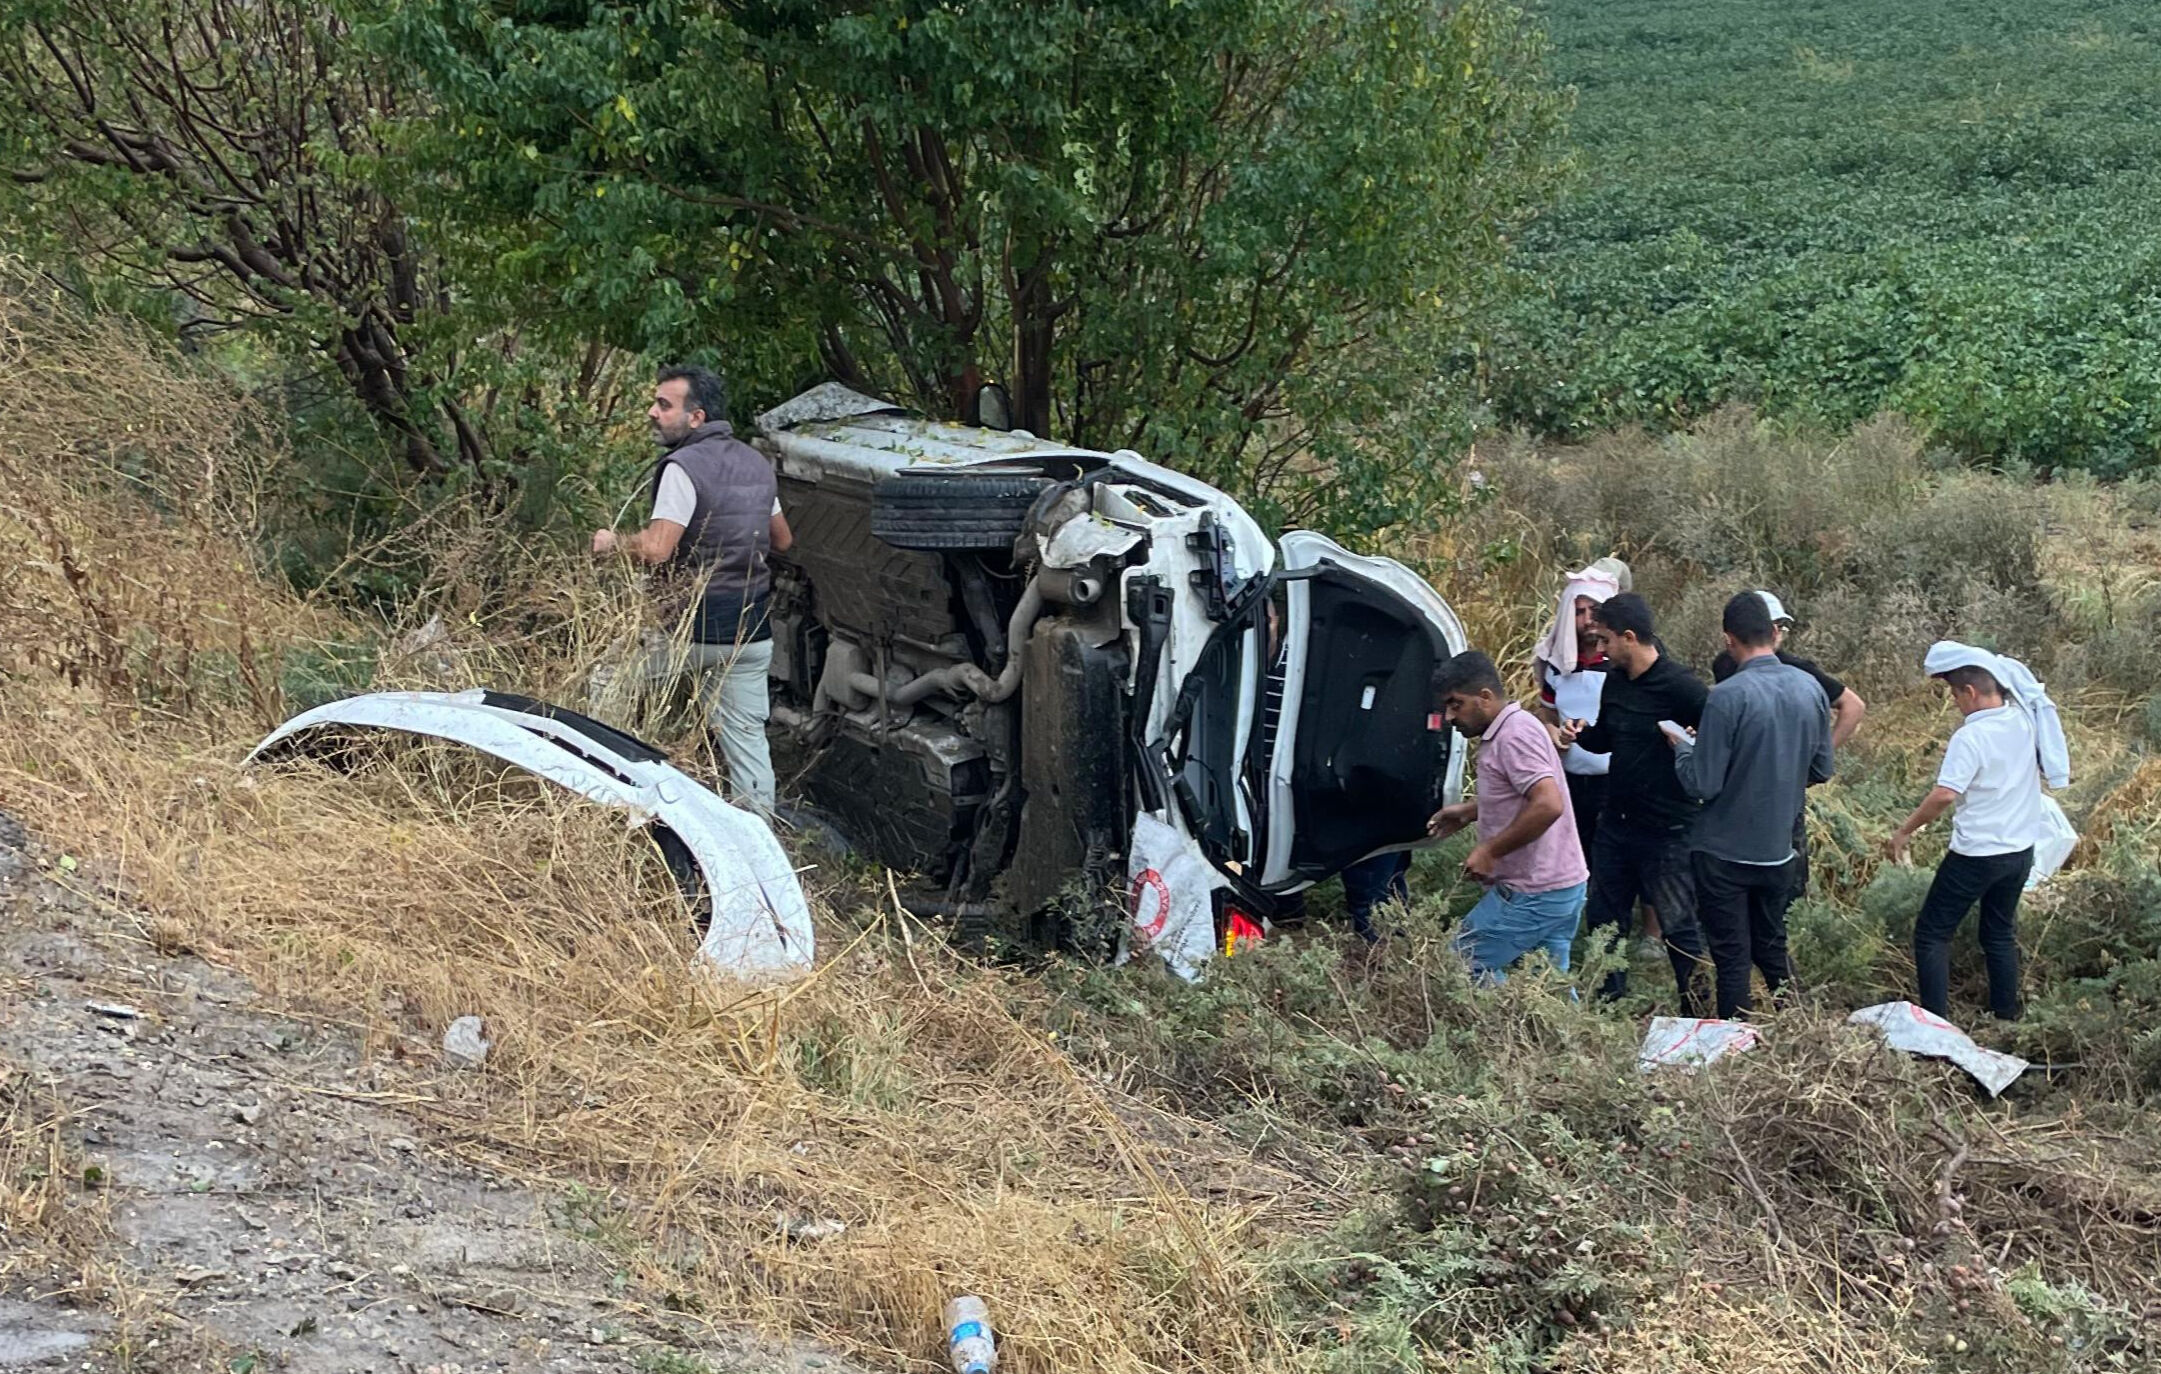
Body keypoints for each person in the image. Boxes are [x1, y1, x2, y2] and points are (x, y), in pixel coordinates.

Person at [592, 365, 793, 812]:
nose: (652, 412)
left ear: (696, 417)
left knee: (606, 684)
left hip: (688, 629)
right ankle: (759, 842)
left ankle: (607, 800)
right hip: (749, 631)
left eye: (664, 405)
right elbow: (783, 540)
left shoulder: (683, 468)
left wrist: (612, 544)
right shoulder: (755, 464)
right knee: (747, 741)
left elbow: (657, 549)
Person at [1886, 642, 2070, 1021]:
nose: (1954, 702)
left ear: (1969, 692)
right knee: (1999, 934)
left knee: (1932, 934)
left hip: (1977, 855)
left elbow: (1944, 795)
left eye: (1954, 694)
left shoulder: (1970, 738)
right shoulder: (2022, 720)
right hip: (2020, 851)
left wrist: (1905, 831)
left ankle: (1936, 1023)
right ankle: (2006, 1017)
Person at [1672, 593, 1834, 1019]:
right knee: (1772, 947)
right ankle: (1799, 1030)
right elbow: (1821, 767)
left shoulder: (1727, 696)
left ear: (1729, 639)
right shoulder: (1810, 689)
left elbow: (1701, 783)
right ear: (1774, 632)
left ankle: (1734, 1047)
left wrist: (1683, 749)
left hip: (1723, 853)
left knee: (1732, 961)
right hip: (1779, 849)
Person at [1567, 593, 1711, 1012]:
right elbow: (1606, 738)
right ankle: (1607, 1004)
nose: (1600, 650)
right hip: (1616, 822)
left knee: (1680, 926)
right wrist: (1580, 731)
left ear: (1629, 637)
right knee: (1603, 918)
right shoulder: (1615, 681)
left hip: (1668, 830)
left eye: (1605, 640)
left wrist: (1689, 745)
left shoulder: (1683, 687)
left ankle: (1698, 1012)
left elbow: (1717, 745)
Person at [1426, 651, 1588, 982]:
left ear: (1484, 697)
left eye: (1456, 704)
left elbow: (1547, 804)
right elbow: (1523, 796)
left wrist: (1490, 851)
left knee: (1459, 964)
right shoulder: (1517, 726)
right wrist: (1472, 812)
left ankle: (1493, 1030)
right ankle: (1557, 1034)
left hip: (1533, 890)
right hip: (1560, 885)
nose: (1449, 715)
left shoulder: (1513, 736)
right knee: (1548, 987)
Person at [1711, 590, 1866, 901]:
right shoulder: (1727, 665)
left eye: (1783, 626)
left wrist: (1812, 761)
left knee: (1785, 877)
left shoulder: (1799, 670)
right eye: (1776, 625)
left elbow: (1853, 705)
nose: (1779, 633)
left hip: (1778, 792)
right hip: (1740, 789)